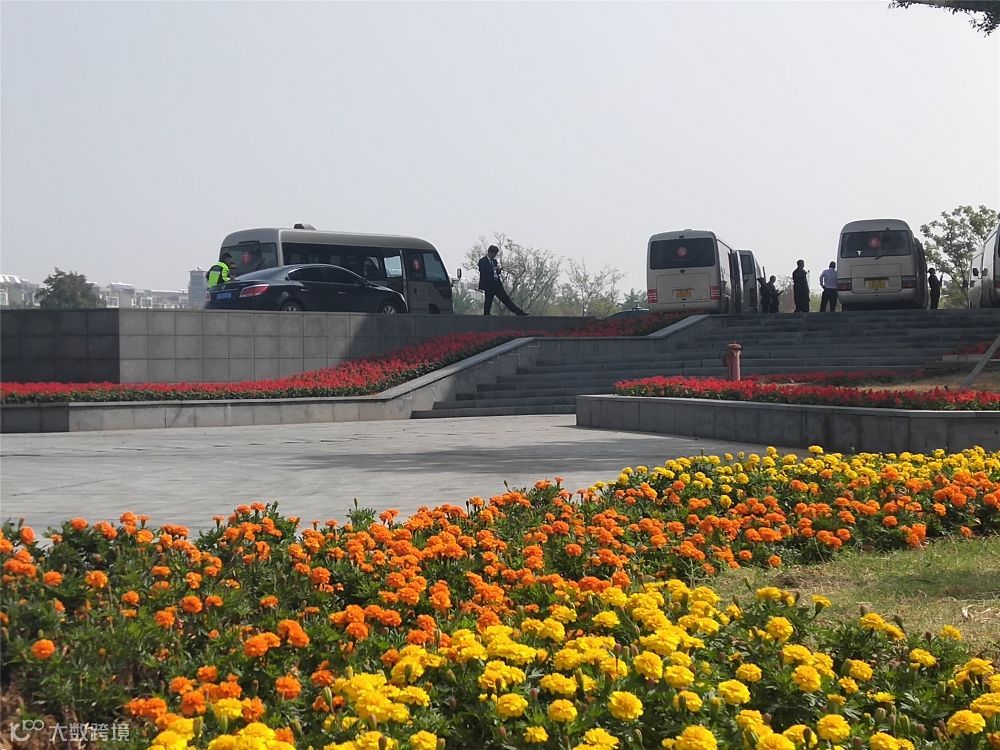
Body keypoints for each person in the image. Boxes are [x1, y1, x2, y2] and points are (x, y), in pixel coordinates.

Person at [478, 245, 528, 316]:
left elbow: (496, 272)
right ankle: (486, 315)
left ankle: (518, 312)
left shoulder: (494, 261)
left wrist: (498, 270)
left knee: (506, 299)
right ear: (490, 252)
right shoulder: (482, 261)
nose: (494, 256)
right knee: (488, 301)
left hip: (497, 284)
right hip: (488, 285)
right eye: (494, 254)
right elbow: (483, 271)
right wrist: (493, 269)